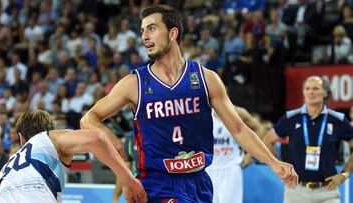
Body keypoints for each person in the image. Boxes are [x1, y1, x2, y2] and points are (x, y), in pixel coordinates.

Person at [80, 5, 298, 202]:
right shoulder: (134, 83)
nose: (145, 36)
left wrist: (273, 162)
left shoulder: (206, 79)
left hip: (200, 182)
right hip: (157, 184)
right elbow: (88, 119)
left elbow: (239, 129)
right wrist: (111, 139)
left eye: (152, 28)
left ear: (173, 33)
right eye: (143, 31)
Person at [0, 110, 147, 203]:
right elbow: (96, 139)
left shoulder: (5, 168)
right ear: (51, 130)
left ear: (21, 138)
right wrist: (128, 181)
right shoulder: (49, 138)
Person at [263, 76, 353, 203]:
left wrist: (344, 174)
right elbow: (267, 140)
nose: (311, 92)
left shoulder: (338, 120)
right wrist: (278, 166)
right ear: (303, 92)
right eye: (307, 88)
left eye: (315, 88)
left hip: (327, 192)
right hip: (296, 191)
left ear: (325, 93)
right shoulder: (291, 118)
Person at [206, 107, 265, 203]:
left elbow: (260, 130)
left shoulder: (238, 112)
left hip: (231, 169)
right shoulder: (203, 112)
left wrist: (250, 155)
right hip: (209, 169)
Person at [112, 133, 139, 203]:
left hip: (164, 191)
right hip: (140, 192)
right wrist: (115, 197)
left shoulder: (164, 135)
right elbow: (124, 172)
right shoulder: (131, 138)